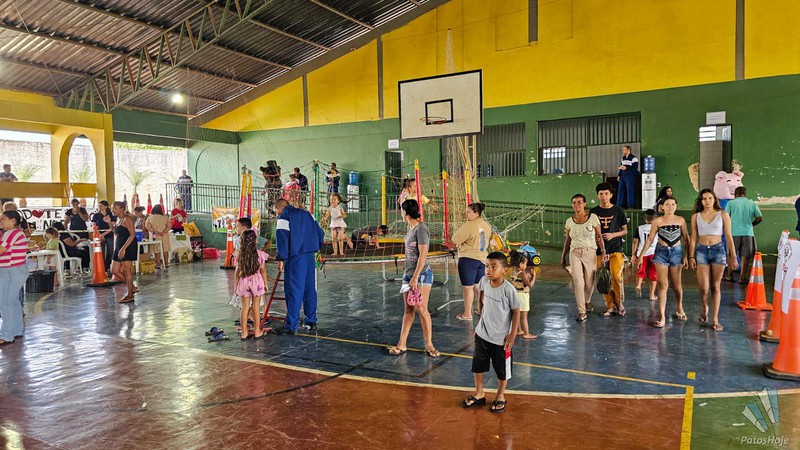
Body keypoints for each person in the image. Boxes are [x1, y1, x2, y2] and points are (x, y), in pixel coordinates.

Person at [462, 251, 520, 414]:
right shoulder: (484, 281)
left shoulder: (508, 290)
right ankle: (479, 393)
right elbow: (480, 294)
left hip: (501, 339)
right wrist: (480, 310)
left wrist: (512, 335)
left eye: (494, 267)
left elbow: (516, 311)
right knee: (478, 365)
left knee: (502, 370)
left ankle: (500, 396)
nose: (489, 270)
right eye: (487, 266)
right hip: (482, 334)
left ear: (504, 270)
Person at [387, 198, 439, 356]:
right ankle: (402, 344)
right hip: (408, 274)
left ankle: (429, 345)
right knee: (408, 309)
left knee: (422, 309)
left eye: (402, 210)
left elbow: (423, 255)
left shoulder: (421, 229)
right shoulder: (410, 229)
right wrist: (409, 275)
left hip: (421, 275)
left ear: (406, 212)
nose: (401, 213)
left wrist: (415, 277)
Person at [633, 198, 689, 328]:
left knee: (676, 286)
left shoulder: (680, 220)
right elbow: (650, 239)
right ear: (662, 207)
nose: (670, 207)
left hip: (676, 252)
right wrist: (641, 256)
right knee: (663, 285)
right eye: (667, 204)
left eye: (673, 204)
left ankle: (679, 306)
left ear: (676, 206)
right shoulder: (657, 221)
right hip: (661, 253)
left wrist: (688, 256)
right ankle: (662, 316)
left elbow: (686, 239)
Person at [689, 189, 738, 332]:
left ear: (714, 199)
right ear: (701, 201)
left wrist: (733, 256)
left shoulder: (723, 214)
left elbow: (728, 236)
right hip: (701, 251)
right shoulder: (696, 216)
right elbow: (693, 238)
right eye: (704, 198)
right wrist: (691, 256)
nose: (707, 201)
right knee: (703, 288)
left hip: (718, 250)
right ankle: (704, 307)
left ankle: (715, 319)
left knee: (715, 287)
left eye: (710, 198)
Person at [274, 198, 325, 334]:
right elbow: (320, 233)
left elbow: (282, 239)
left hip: (295, 258)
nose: (276, 214)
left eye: (275, 211)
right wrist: (316, 246)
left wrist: (281, 258)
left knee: (294, 290)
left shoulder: (283, 217)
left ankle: (291, 326)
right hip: (309, 256)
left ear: (279, 208)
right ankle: (311, 321)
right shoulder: (308, 214)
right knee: (310, 289)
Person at [561, 193, 606, 322]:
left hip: (590, 252)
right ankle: (581, 311)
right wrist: (563, 256)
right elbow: (568, 240)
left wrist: (603, 251)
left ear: (584, 204)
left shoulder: (593, 218)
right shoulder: (569, 221)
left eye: (579, 202)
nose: (577, 205)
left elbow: (599, 236)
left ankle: (587, 301)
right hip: (574, 253)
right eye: (574, 203)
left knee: (589, 283)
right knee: (578, 283)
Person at [590, 183, 628, 317]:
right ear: (597, 195)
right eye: (601, 194)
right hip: (599, 251)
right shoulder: (593, 212)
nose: (603, 196)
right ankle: (610, 306)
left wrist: (613, 235)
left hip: (615, 249)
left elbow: (625, 231)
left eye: (606, 193)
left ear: (611, 195)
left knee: (616, 276)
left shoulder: (618, 211)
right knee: (603, 278)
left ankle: (619, 303)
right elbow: (590, 229)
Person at [451, 202, 492, 321]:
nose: (466, 214)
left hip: (468, 259)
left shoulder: (469, 225)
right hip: (482, 259)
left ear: (476, 213)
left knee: (468, 288)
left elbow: (455, 239)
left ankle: (467, 313)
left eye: (468, 212)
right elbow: (483, 242)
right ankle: (481, 310)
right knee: (479, 287)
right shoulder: (486, 225)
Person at [0, 210, 28, 345]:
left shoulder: (13, 233)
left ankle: (7, 335)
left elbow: (2, 250)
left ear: (13, 221)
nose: (1, 221)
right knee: (13, 301)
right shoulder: (9, 233)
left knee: (6, 302)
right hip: (9, 269)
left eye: (3, 219)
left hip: (13, 270)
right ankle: (16, 330)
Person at [725, 186, 763, 284]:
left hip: (733, 232)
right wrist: (750, 225)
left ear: (735, 194)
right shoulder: (752, 203)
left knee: (731, 254)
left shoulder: (731, 203)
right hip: (748, 233)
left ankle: (729, 275)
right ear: (745, 194)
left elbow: (725, 216)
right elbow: (759, 218)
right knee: (745, 256)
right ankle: (742, 277)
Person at [234, 230, 268, 341]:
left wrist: (236, 286)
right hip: (257, 283)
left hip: (243, 282)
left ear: (242, 241)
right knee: (256, 308)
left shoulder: (239, 255)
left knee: (245, 308)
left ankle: (244, 333)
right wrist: (265, 284)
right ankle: (257, 331)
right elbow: (263, 271)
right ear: (255, 241)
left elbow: (237, 272)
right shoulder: (260, 254)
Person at [111, 201, 138, 303]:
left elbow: (132, 234)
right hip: (119, 246)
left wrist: (123, 249)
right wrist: (109, 222)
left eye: (116, 208)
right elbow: (115, 231)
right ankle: (132, 287)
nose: (113, 210)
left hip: (127, 246)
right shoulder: (118, 219)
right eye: (113, 208)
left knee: (127, 271)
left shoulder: (128, 219)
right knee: (114, 270)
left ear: (122, 209)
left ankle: (130, 295)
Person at [509, 250, 536, 339]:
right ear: (521, 264)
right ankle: (526, 333)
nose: (526, 266)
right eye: (525, 264)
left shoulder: (513, 272)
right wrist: (534, 276)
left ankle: (518, 330)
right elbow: (530, 285)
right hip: (523, 296)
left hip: (515, 295)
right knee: (524, 316)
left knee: (517, 314)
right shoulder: (522, 274)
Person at [633, 210, 658, 301]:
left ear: (645, 218)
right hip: (654, 253)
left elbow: (635, 241)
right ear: (656, 218)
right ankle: (652, 295)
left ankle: (638, 285)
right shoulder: (657, 228)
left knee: (641, 271)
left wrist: (633, 254)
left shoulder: (640, 228)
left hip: (641, 254)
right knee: (654, 274)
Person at [144, 204, 171, 269]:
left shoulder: (150, 218)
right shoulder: (165, 218)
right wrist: (163, 232)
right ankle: (166, 264)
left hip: (155, 236)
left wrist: (155, 232)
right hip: (164, 236)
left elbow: (147, 226)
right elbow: (169, 226)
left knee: (157, 250)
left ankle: (158, 264)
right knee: (165, 250)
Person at [91, 200, 114, 273]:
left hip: (109, 234)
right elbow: (94, 225)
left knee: (111, 251)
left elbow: (112, 227)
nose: (99, 207)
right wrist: (99, 234)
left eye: (101, 205)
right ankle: (102, 269)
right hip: (99, 235)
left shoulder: (111, 214)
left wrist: (103, 234)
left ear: (106, 206)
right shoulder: (96, 215)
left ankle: (111, 267)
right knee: (101, 252)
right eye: (98, 206)